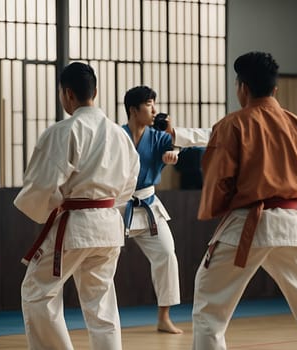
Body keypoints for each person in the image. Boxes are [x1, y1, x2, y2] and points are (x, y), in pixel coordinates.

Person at [191, 51, 297, 350]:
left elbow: (216, 180)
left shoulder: (231, 125)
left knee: (210, 311)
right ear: (275, 89)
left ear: (242, 88)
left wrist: (227, 204)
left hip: (246, 224)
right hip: (293, 225)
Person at [14, 62, 139, 350]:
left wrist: (51, 208)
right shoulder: (120, 135)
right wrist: (105, 207)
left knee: (37, 292)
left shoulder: (65, 130)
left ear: (67, 93)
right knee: (101, 303)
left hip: (75, 226)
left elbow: (41, 184)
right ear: (95, 91)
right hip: (109, 227)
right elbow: (129, 185)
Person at [121, 85, 186, 334]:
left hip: (148, 205)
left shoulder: (158, 137)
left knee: (167, 254)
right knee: (104, 260)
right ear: (133, 110)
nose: (154, 110)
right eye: (149, 104)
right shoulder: (118, 136)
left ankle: (164, 317)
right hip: (120, 205)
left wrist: (173, 153)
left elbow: (175, 147)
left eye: (153, 104)